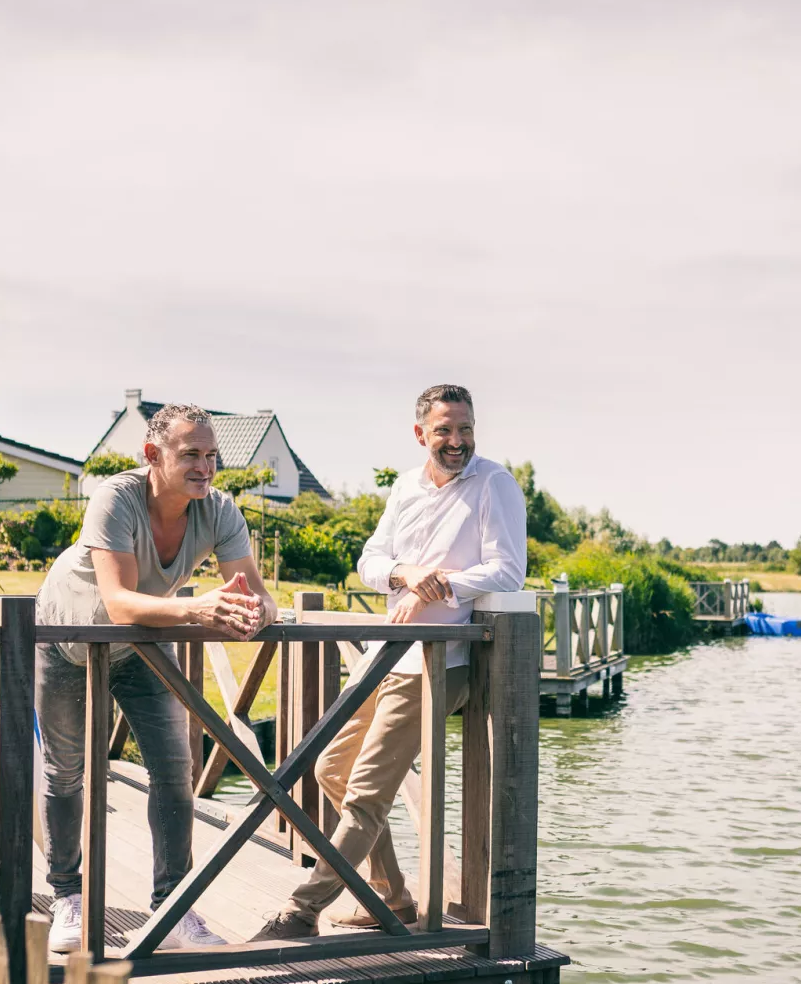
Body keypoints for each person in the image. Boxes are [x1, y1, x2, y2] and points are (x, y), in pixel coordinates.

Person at [252, 383, 526, 940]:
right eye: (445, 429)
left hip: (439, 662)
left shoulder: (495, 484)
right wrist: (403, 576)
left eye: (466, 428)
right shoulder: (405, 486)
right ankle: (391, 897)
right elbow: (370, 561)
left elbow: (508, 571)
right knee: (332, 769)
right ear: (421, 433)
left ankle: (301, 910)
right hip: (383, 655)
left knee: (367, 792)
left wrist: (439, 585)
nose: (458, 440)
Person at [36, 403, 277, 952]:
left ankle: (173, 912)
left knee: (174, 769)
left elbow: (254, 592)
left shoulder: (218, 511)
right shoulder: (116, 499)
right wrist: (198, 610)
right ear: (153, 455)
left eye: (212, 455)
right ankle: (67, 899)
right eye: (190, 453)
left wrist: (259, 612)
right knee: (68, 771)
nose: (205, 466)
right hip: (68, 636)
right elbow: (119, 602)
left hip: (142, 642)